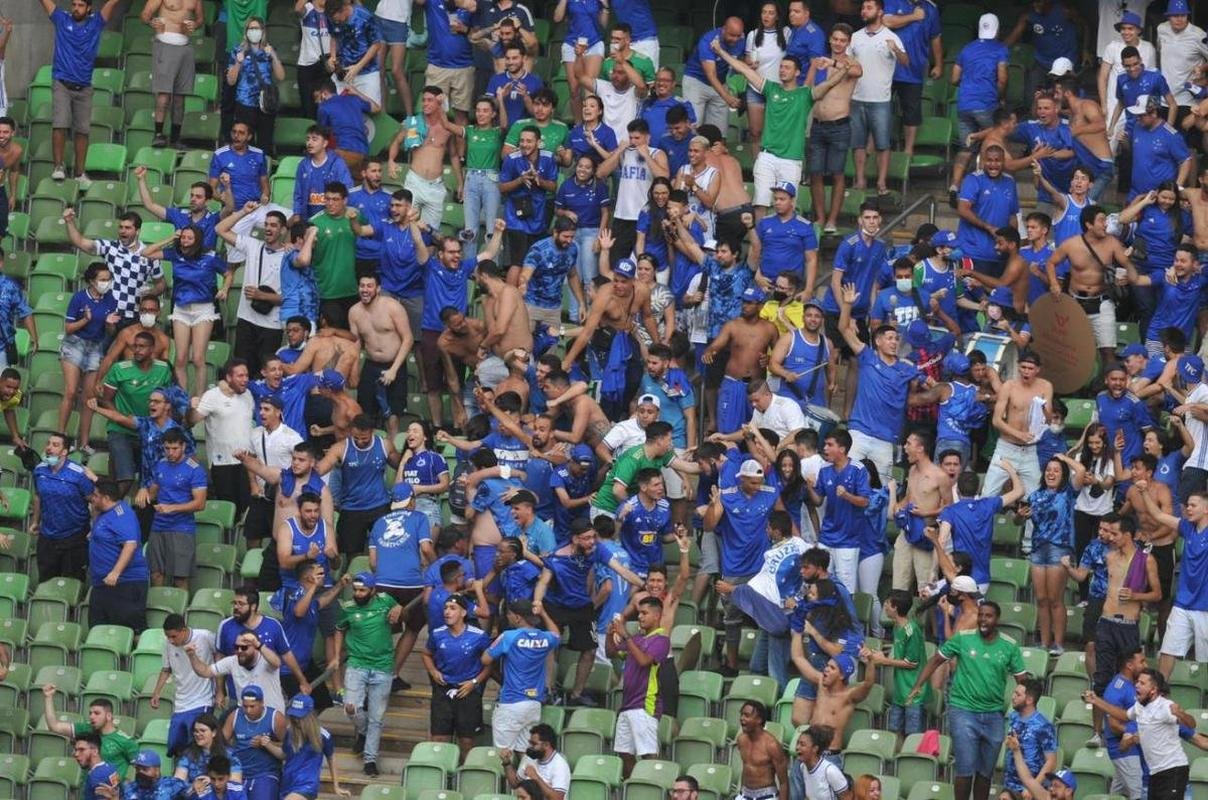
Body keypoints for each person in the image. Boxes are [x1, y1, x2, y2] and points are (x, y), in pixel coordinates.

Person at [909, 602, 1030, 800]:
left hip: (994, 714)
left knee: (986, 772)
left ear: (996, 619)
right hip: (963, 710)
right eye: (981, 615)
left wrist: (1026, 710)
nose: (983, 619)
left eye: (988, 616)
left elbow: (1023, 681)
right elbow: (936, 660)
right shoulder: (963, 639)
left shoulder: (1009, 646)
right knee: (965, 767)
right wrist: (918, 685)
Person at [331, 572, 402, 777]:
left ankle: (370, 760)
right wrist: (336, 656)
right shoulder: (347, 607)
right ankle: (362, 732)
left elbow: (399, 610)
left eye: (362, 590)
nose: (358, 594)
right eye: (355, 590)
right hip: (356, 664)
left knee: (377, 719)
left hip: (383, 666)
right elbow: (338, 629)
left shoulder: (385, 600)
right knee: (350, 708)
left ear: (373, 590)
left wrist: (398, 607)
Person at [42, 0, 120, 185]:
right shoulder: (61, 19)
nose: (76, 8)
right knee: (60, 123)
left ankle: (79, 173)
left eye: (80, 5)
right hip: (62, 82)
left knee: (83, 130)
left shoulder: (96, 22)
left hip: (84, 86)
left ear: (89, 8)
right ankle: (58, 167)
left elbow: (113, 2)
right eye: (74, 4)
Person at [1085, 670, 1195, 800]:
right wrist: (1096, 701)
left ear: (1153, 690)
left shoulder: (1165, 707)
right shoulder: (1139, 706)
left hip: (1173, 769)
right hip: (1155, 772)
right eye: (1137, 681)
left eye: (1142, 683)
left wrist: (1180, 713)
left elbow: (1191, 724)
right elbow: (1123, 715)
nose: (1137, 685)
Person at [482, 600, 561, 750]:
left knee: (503, 756)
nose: (508, 617)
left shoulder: (509, 637)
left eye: (510, 614)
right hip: (533, 704)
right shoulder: (544, 638)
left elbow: (485, 659)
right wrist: (543, 612)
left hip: (511, 702)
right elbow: (556, 634)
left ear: (518, 617)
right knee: (526, 754)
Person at [421, 593, 491, 759]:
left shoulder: (479, 636)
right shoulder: (437, 634)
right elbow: (426, 654)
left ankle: (463, 779)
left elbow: (489, 664)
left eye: (452, 608)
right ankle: (440, 776)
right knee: (439, 739)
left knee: (467, 741)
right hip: (443, 689)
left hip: (467, 691)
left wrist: (474, 682)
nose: (447, 612)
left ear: (463, 613)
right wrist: (433, 671)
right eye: (445, 608)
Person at [387, 86, 462, 229]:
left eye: (430, 100)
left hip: (436, 186)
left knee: (431, 231)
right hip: (414, 181)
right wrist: (391, 160)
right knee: (405, 224)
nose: (425, 104)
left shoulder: (448, 128)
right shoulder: (414, 123)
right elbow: (396, 142)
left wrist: (460, 183)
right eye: (423, 100)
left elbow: (453, 156)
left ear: (439, 103)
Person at [145, 428, 208, 589]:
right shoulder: (160, 464)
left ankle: (179, 613)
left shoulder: (195, 469)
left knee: (180, 577)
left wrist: (172, 508)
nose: (170, 453)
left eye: (174, 449)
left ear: (184, 446)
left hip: (182, 528)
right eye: (167, 449)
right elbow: (154, 490)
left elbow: (200, 504)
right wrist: (145, 493)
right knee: (156, 573)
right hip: (158, 526)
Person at [29, 432, 96, 582]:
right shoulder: (39, 470)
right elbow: (38, 496)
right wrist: (35, 521)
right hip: (47, 536)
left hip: (75, 536)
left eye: (55, 445)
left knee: (72, 583)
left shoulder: (78, 474)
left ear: (65, 451)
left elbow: (94, 500)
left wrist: (95, 527)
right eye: (48, 444)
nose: (49, 448)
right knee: (45, 581)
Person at [88, 479, 151, 633]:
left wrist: (115, 573)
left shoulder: (123, 515)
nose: (92, 498)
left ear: (106, 498)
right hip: (102, 584)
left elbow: (130, 545)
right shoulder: (104, 513)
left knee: (128, 631)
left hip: (124, 583)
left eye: (96, 496)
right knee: (98, 630)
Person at [45, 688, 140, 779]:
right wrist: (48, 698)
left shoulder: (125, 741)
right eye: (90, 713)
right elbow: (54, 726)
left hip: (111, 794)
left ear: (109, 716)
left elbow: (141, 769)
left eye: (97, 713)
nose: (92, 716)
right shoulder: (86, 729)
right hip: (87, 792)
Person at [225, 18, 286, 151]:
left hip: (266, 103)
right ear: (246, 32)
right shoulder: (237, 50)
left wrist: (274, 56)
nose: (254, 31)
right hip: (245, 102)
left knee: (265, 144)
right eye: (251, 29)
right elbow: (230, 81)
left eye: (257, 28)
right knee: (244, 144)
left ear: (262, 31)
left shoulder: (269, 50)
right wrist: (238, 63)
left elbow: (281, 76)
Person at [192, 631, 286, 713]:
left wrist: (259, 645)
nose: (239, 651)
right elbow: (205, 672)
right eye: (236, 647)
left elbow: (277, 663)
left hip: (271, 714)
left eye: (244, 647)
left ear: (255, 647)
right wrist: (192, 655)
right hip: (246, 715)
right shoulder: (232, 661)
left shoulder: (266, 660)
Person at [222, 684, 286, 800]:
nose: (248, 710)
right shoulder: (235, 715)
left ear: (262, 703)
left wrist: (267, 743)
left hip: (265, 772)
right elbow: (221, 742)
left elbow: (289, 746)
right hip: (239, 772)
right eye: (245, 706)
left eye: (252, 706)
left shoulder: (275, 718)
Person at [682, 18, 746, 132]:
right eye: (732, 35)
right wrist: (727, 97)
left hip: (720, 82)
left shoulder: (741, 39)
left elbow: (739, 61)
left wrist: (749, 65)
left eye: (738, 35)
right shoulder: (709, 41)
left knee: (719, 132)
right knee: (693, 127)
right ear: (724, 29)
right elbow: (711, 74)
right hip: (697, 82)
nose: (735, 39)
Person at [1001, 678, 1059, 800]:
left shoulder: (1043, 725)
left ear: (1029, 700)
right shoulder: (1013, 717)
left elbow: (1051, 761)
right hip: (1010, 784)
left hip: (1031, 789)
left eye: (1018, 694)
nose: (1013, 697)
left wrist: (1033, 787)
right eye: (1014, 693)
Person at [734, 701, 789, 800]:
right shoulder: (741, 740)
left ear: (759, 720)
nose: (742, 718)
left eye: (746, 715)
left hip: (766, 796)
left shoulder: (772, 745)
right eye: (741, 714)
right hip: (745, 794)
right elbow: (746, 767)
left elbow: (784, 782)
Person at [172, 715, 243, 784]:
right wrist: (193, 787)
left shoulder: (229, 754)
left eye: (202, 731)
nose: (198, 734)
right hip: (194, 793)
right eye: (196, 731)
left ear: (214, 732)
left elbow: (236, 782)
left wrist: (212, 781)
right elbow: (179, 781)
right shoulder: (188, 754)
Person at [790, 724, 850, 800]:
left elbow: (847, 797)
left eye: (802, 744)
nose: (797, 747)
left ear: (815, 749)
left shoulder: (829, 771)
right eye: (798, 743)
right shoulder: (803, 767)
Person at [75, 732, 121, 800]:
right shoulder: (110, 767)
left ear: (95, 751)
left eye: (82, 750)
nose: (76, 754)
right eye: (76, 750)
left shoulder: (97, 777)